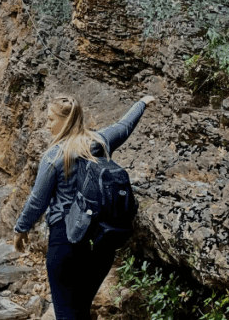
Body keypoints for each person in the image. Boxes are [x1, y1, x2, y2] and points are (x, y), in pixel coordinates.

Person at [12, 94, 154, 320]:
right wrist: (142, 103)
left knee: (68, 314)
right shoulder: (99, 142)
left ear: (64, 121)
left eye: (50, 119)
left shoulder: (54, 156)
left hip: (66, 243)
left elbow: (37, 201)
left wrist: (20, 229)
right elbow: (124, 126)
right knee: (79, 311)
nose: (47, 125)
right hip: (101, 243)